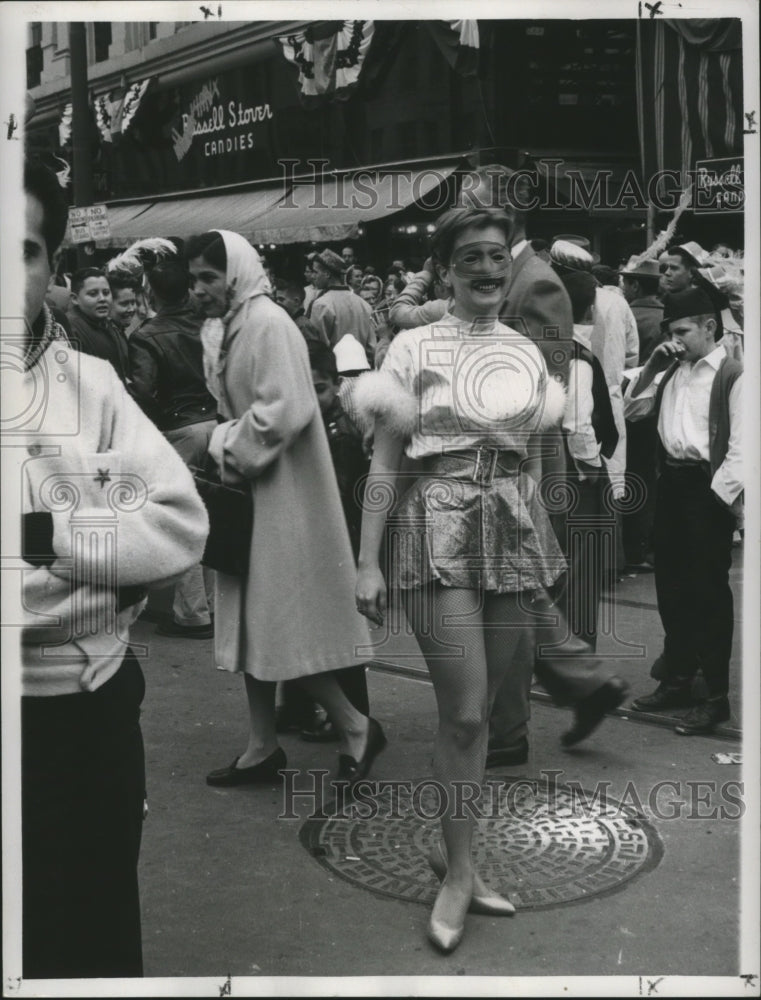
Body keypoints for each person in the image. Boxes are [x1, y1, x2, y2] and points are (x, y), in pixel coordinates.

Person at [354, 206, 568, 954]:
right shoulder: (413, 346)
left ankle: (459, 857)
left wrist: (535, 538)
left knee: (491, 713)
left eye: (495, 257)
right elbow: (385, 464)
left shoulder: (524, 351)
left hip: (509, 529)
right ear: (444, 268)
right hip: (435, 524)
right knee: (466, 714)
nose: (485, 269)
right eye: (469, 257)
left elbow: (535, 461)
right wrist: (364, 559)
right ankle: (453, 876)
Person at [17, 160, 209, 978]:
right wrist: (103, 570)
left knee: (92, 941)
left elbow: (174, 526)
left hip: (85, 713)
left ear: (49, 269)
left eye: (21, 247)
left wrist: (48, 535)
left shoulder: (90, 385)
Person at [184, 230, 386, 789]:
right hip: (256, 496)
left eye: (208, 277)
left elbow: (286, 410)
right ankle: (262, 744)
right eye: (194, 278)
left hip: (281, 497)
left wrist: (218, 442)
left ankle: (354, 725)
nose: (199, 289)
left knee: (279, 627)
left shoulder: (268, 324)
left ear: (236, 274)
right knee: (254, 625)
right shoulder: (236, 324)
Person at [625, 286, 742, 735]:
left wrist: (717, 502)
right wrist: (654, 364)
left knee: (708, 596)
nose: (675, 340)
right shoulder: (672, 369)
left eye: (683, 331)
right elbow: (633, 411)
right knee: (671, 591)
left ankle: (715, 697)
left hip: (705, 491)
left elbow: (742, 451)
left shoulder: (733, 376)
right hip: (671, 487)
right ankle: (677, 680)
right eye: (670, 333)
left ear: (709, 326)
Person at [277, 341, 372, 740]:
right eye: (304, 388)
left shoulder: (339, 435)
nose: (311, 398)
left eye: (319, 388)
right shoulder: (317, 427)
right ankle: (297, 706)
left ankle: (352, 715)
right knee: (306, 628)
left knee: (337, 637)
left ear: (336, 386)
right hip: (322, 543)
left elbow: (335, 497)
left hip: (337, 547)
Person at [128, 257, 218, 639]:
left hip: (181, 428)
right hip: (218, 423)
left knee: (184, 521)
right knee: (217, 514)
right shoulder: (205, 323)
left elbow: (144, 390)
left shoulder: (146, 334)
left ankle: (193, 614)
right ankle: (213, 605)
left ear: (150, 291)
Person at [559, 270, 619, 650]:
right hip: (578, 476)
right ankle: (577, 644)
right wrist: (593, 466)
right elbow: (577, 423)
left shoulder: (551, 349)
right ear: (591, 310)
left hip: (551, 469)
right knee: (582, 564)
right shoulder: (579, 358)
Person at [619, 257, 665, 570]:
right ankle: (650, 546)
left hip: (630, 405)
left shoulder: (627, 315)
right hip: (661, 408)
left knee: (633, 475)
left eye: (627, 281)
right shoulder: (668, 316)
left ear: (635, 284)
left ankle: (634, 548)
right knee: (652, 477)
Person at [309, 248, 377, 366]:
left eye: (315, 272)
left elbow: (319, 349)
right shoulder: (364, 305)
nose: (313, 276)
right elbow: (371, 348)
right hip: (361, 372)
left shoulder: (321, 305)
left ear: (327, 274)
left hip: (335, 375)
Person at [67, 266, 131, 385]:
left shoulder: (108, 324)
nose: (102, 299)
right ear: (75, 299)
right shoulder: (69, 329)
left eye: (106, 293)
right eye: (93, 294)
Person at [275, 278, 329, 347]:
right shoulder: (292, 322)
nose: (277, 303)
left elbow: (312, 353)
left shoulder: (303, 326)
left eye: (281, 299)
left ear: (296, 301)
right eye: (276, 299)